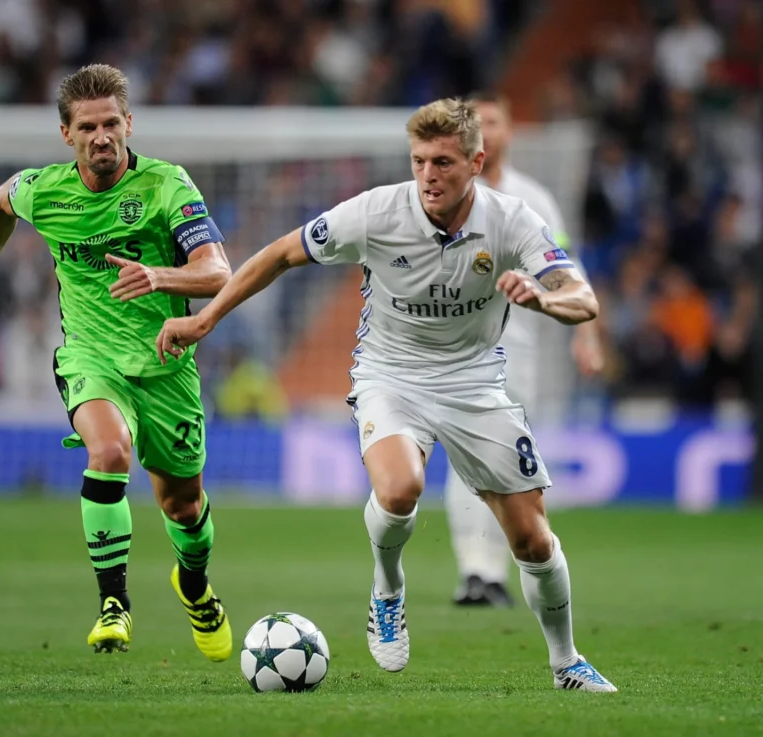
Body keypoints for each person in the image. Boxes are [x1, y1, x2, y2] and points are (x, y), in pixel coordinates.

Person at [156, 98, 617, 692]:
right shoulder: (376, 211)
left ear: (475, 163)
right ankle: (388, 588)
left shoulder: (513, 218)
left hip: (475, 381)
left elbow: (582, 297)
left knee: (532, 538)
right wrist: (206, 319)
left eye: (443, 162)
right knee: (400, 489)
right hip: (391, 375)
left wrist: (546, 299)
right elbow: (279, 254)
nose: (428, 175)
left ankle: (566, 662)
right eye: (419, 161)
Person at [0, 64, 233, 661]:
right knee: (108, 453)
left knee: (183, 506)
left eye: (111, 123)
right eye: (87, 127)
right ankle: (114, 603)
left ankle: (194, 586)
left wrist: (158, 275)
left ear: (129, 123)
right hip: (91, 357)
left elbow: (219, 273)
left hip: (165, 366)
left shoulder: (166, 186)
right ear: (67, 134)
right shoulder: (46, 190)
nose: (101, 136)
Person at [446, 93, 605, 608]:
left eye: (494, 121)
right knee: (465, 457)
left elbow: (566, 267)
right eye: (476, 123)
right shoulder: (445, 195)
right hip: (457, 347)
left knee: (510, 460)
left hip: (518, 349)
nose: (486, 131)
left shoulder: (533, 198)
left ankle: (495, 570)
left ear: (509, 131)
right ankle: (475, 572)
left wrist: (586, 334)